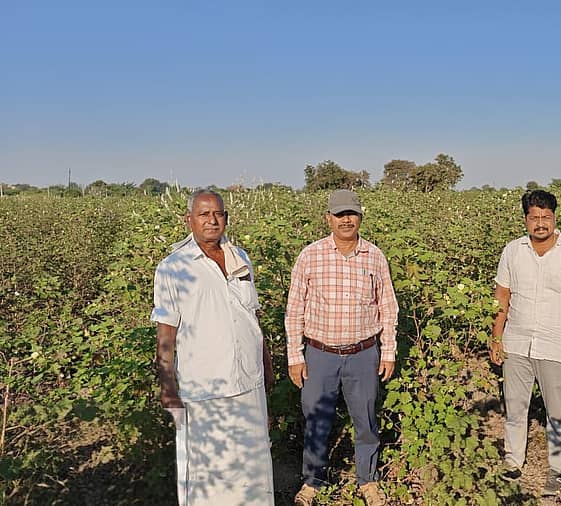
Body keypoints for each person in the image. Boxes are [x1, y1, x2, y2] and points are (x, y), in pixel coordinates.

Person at [151, 188, 275, 505]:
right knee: (210, 471)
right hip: (204, 386)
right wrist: (168, 385)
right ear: (189, 220)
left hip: (248, 380)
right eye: (204, 214)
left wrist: (267, 365)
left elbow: (253, 318)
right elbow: (166, 332)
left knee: (251, 465)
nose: (212, 220)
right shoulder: (173, 267)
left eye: (218, 213)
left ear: (226, 219)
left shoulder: (240, 257)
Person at [285, 189, 398, 506]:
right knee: (316, 421)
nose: (346, 220)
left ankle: (368, 481)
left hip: (363, 354)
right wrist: (296, 356)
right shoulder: (311, 255)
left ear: (360, 217)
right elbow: (294, 309)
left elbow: (387, 306)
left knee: (365, 421)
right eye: (339, 215)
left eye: (351, 213)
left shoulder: (374, 256)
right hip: (320, 354)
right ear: (328, 219)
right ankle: (313, 482)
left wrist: (387, 351)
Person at [489, 190, 561, 497]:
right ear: (525, 219)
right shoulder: (513, 251)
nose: (540, 223)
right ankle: (512, 460)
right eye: (534, 217)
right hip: (517, 343)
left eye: (546, 217)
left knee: (558, 411)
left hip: (558, 347)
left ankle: (558, 468)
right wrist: (496, 337)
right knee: (516, 407)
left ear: (555, 218)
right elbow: (502, 297)